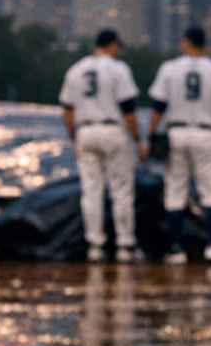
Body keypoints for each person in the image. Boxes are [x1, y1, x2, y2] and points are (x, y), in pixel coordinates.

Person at [147, 25, 211, 264]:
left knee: (174, 190)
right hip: (206, 132)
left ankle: (177, 250)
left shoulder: (169, 68)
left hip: (176, 131)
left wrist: (151, 135)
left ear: (185, 42)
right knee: (210, 190)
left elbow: (158, 108)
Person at [59, 28, 147, 263]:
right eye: (118, 46)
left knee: (91, 191)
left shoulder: (76, 69)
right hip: (111, 129)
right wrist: (139, 139)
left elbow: (67, 111)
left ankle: (95, 246)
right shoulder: (118, 69)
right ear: (112, 45)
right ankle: (124, 245)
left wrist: (74, 137)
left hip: (85, 129)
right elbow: (128, 109)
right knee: (121, 191)